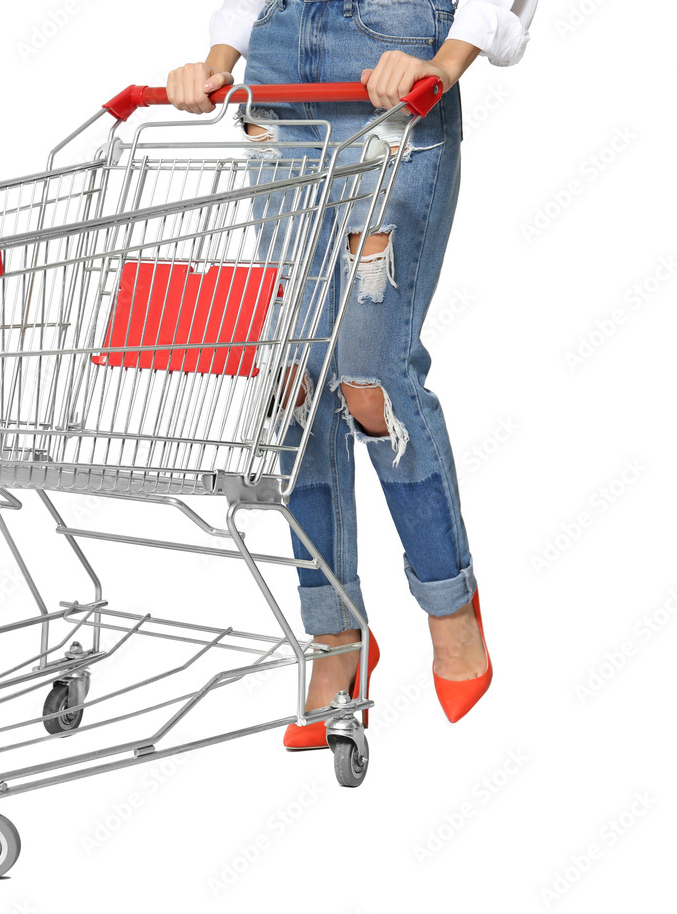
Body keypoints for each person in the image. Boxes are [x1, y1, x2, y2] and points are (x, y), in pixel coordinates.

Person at [167, 0, 536, 745]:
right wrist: (217, 60)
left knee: (370, 377)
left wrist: (445, 60)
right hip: (276, 84)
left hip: (395, 77)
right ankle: (335, 633)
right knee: (295, 378)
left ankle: (449, 605)